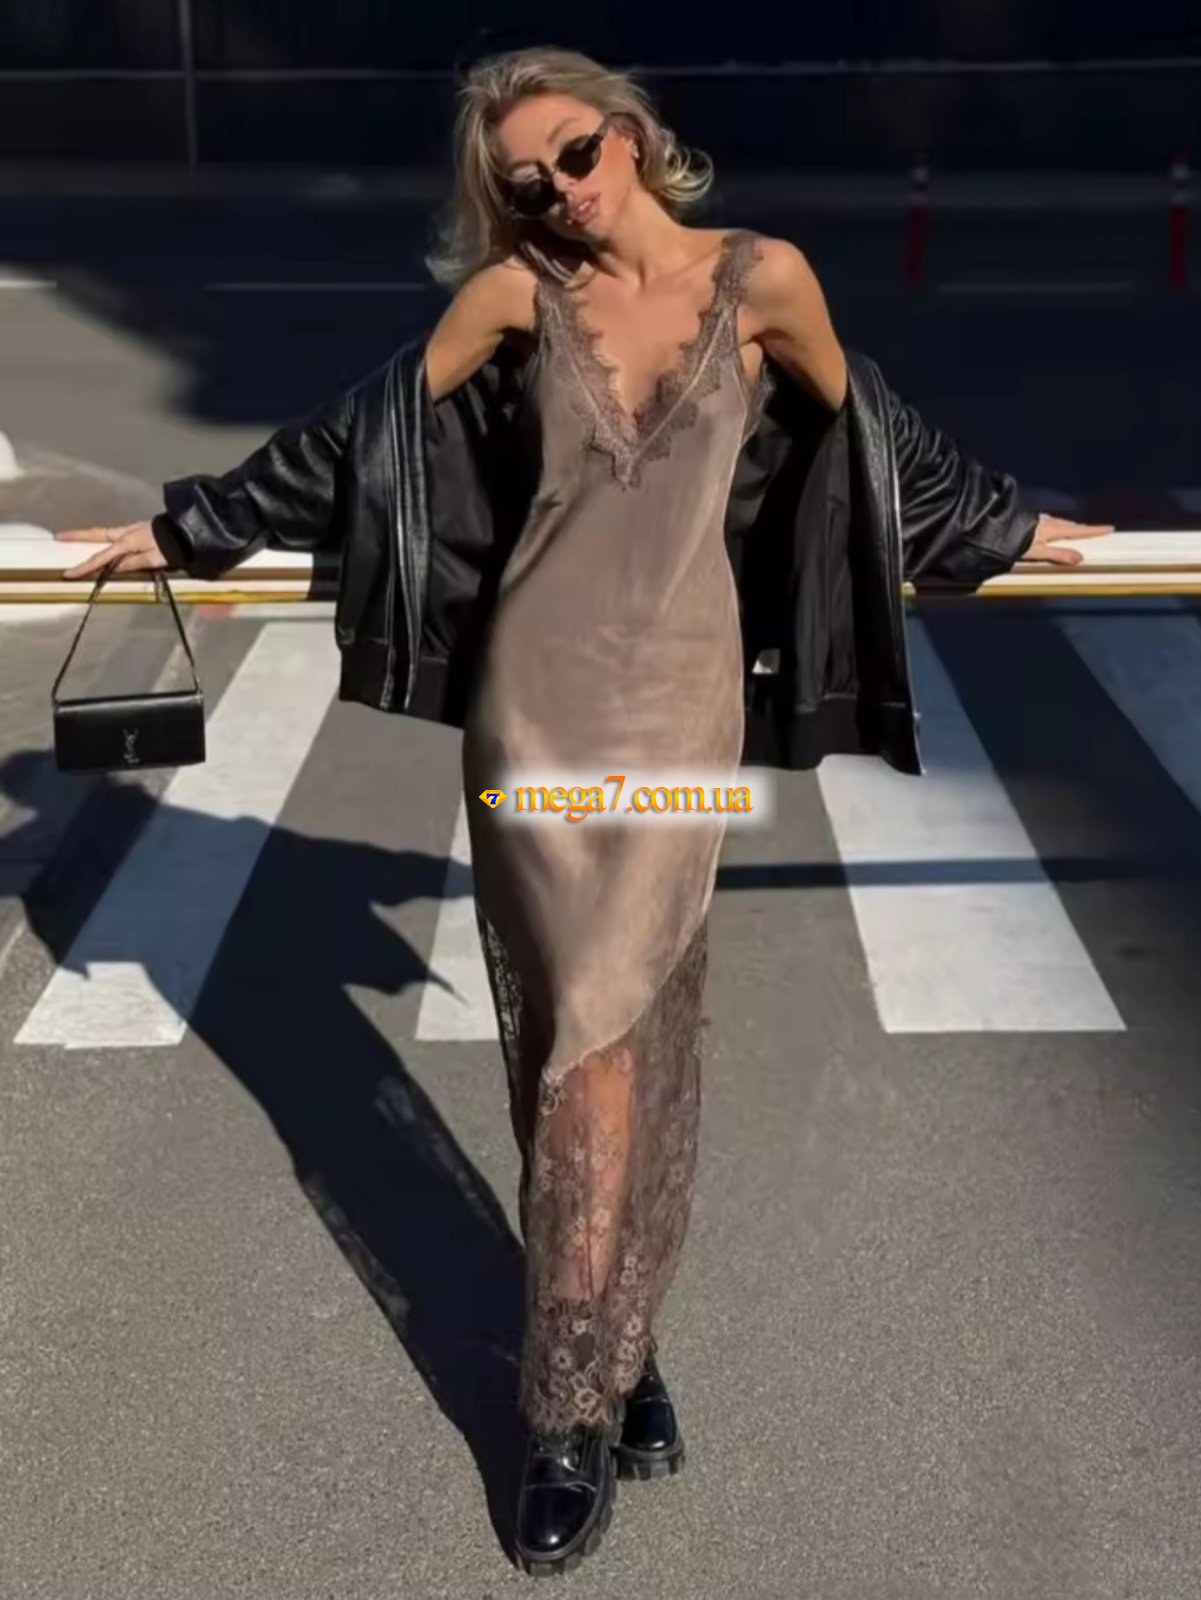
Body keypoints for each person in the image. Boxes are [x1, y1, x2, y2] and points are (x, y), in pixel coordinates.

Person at [57, 46, 1108, 1577]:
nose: (555, 192)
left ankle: (565, 1405)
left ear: (631, 136)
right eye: (523, 181)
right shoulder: (510, 297)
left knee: (617, 1033)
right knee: (569, 1039)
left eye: (573, 155)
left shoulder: (762, 280)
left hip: (676, 707)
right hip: (530, 707)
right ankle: (611, 1351)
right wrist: (183, 526)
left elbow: (872, 433)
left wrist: (1009, 524)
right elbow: (354, 442)